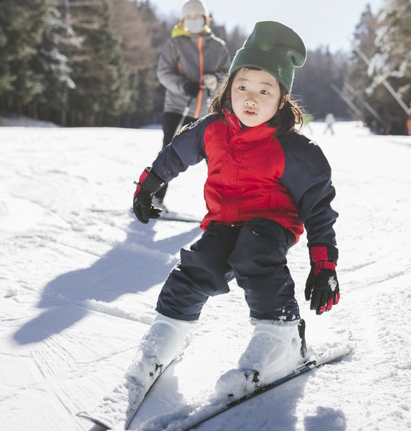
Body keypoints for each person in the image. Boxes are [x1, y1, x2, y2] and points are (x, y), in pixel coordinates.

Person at [130, 21, 340, 404]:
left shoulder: (295, 151)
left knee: (254, 252)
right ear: (229, 89)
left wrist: (324, 265)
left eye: (265, 90)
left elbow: (319, 211)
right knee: (201, 263)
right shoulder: (213, 129)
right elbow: (177, 151)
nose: (251, 99)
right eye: (242, 87)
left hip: (272, 223)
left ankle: (282, 336)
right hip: (223, 221)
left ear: (281, 99)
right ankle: (167, 333)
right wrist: (151, 182)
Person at [155, 0, 230, 206]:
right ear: (183, 20)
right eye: (189, 16)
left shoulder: (218, 47)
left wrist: (215, 79)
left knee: (214, 156)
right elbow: (163, 72)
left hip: (206, 111)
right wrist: (183, 85)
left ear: (206, 19)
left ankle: (222, 205)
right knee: (169, 151)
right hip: (177, 107)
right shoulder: (175, 44)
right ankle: (154, 197)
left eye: (197, 16)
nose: (193, 19)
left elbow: (228, 76)